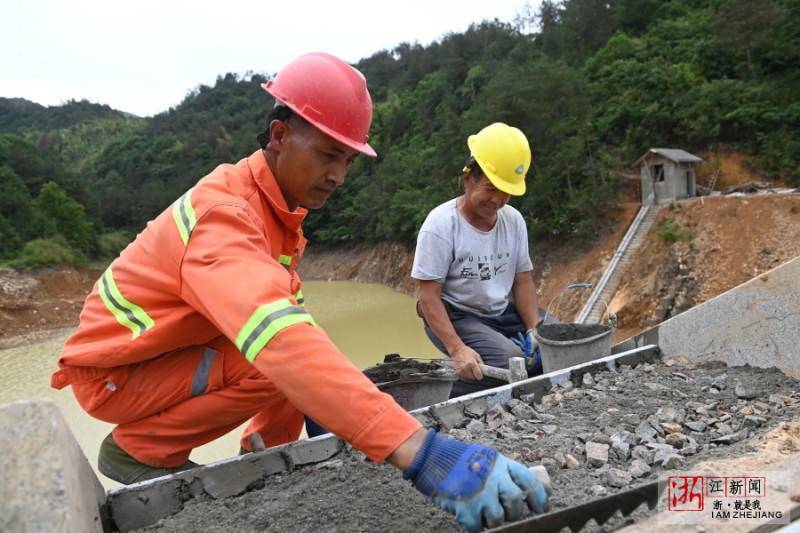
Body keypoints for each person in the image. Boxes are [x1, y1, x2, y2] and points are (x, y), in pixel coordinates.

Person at [49, 53, 548, 532]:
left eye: (348, 160)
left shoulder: (276, 215)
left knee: (295, 343)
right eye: (329, 154)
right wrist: (419, 449)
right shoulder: (223, 215)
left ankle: (265, 451)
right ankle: (140, 449)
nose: (338, 175)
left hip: (163, 355)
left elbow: (289, 326)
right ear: (280, 135)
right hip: (118, 374)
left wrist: (269, 455)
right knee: (282, 353)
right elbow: (281, 341)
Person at [411, 123, 556, 398]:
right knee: (510, 362)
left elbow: (522, 280)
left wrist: (534, 328)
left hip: (501, 312)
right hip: (459, 317)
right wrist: (457, 348)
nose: (498, 200)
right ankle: (441, 385)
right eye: (491, 188)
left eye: (505, 191)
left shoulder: (513, 220)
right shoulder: (441, 226)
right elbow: (428, 297)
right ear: (468, 179)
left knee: (559, 344)